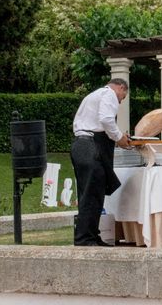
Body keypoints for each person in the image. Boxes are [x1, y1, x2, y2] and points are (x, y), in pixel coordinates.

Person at [71, 78, 132, 246]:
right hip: (90, 146)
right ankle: (85, 239)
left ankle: (90, 235)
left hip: (81, 145)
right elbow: (106, 120)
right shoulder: (109, 94)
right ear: (120, 87)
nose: (120, 101)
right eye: (123, 97)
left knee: (90, 194)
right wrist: (119, 138)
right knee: (92, 195)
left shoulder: (94, 95)